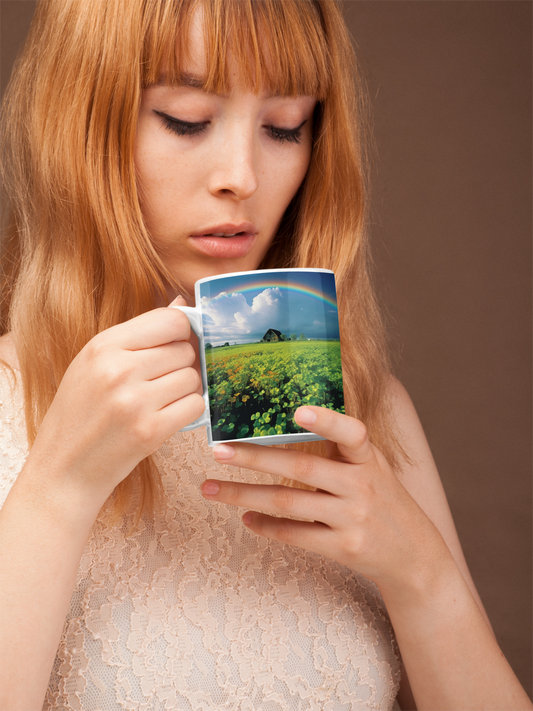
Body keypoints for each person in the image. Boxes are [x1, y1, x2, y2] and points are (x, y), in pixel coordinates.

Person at [0, 0, 530, 709]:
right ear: (79, 124)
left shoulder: (365, 408)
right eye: (185, 118)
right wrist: (54, 496)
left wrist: (424, 576)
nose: (241, 177)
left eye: (286, 126)